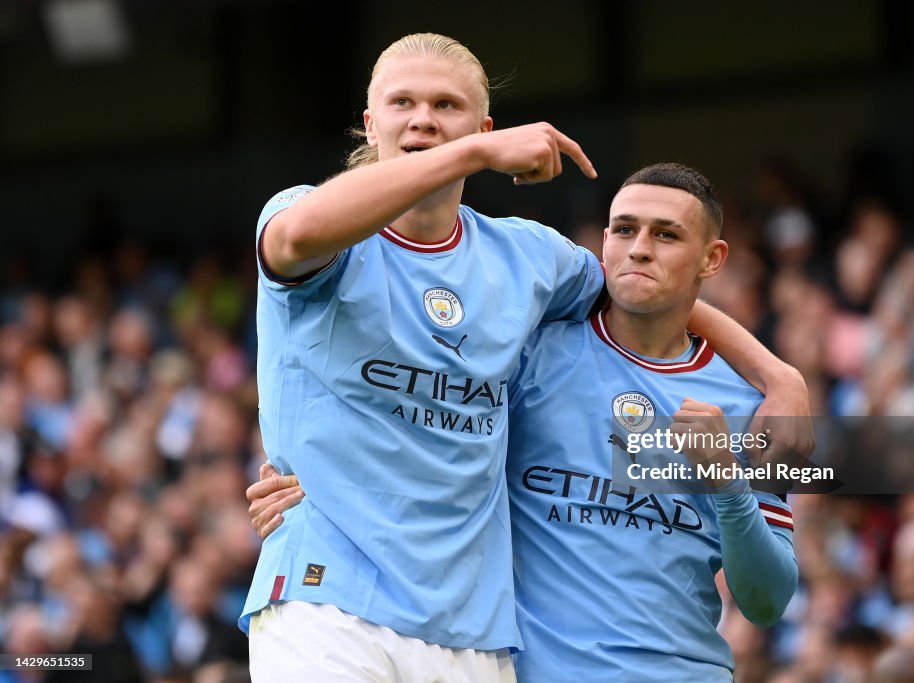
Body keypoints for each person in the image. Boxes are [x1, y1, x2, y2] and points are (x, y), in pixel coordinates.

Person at [243, 32, 810, 681]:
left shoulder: (529, 260)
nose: (423, 118)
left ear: (481, 120)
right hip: (329, 596)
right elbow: (294, 237)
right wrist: (479, 153)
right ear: (372, 123)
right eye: (402, 102)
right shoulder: (305, 216)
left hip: (474, 635)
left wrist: (776, 373)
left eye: (446, 106)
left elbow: (638, 289)